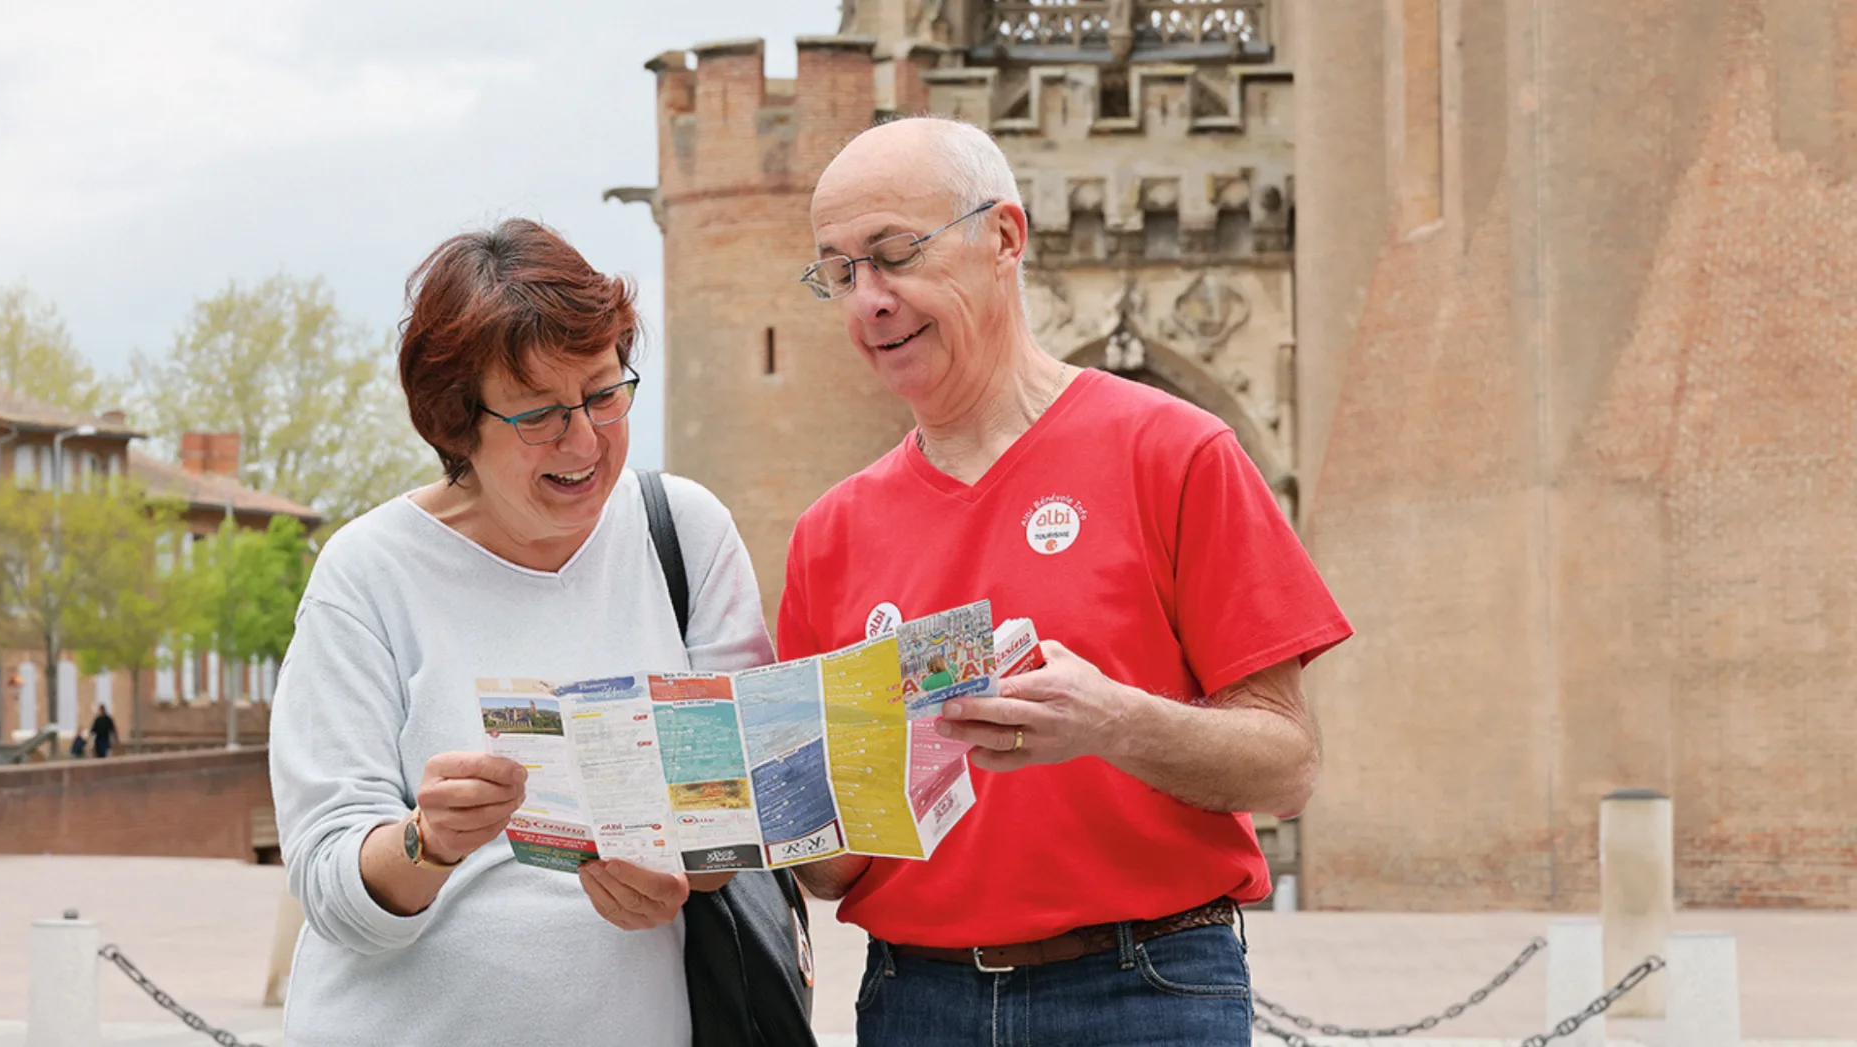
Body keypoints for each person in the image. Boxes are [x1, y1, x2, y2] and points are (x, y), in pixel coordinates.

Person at [776, 118, 1354, 1046]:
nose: (869, 300)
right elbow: (831, 872)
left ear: (1005, 238)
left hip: (1146, 989)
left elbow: (1288, 766)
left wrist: (1115, 722)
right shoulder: (829, 534)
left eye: (894, 255)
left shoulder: (1175, 452)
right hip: (913, 999)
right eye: (840, 272)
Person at [268, 218, 776, 1047]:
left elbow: (732, 829)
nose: (584, 440)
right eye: (538, 413)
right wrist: (427, 842)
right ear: (455, 423)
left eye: (605, 393)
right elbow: (327, 885)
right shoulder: (366, 573)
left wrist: (686, 872)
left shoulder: (683, 531)